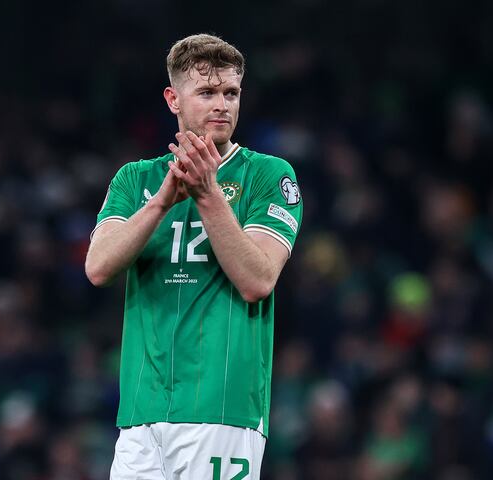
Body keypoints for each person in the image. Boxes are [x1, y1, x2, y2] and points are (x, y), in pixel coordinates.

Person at [85, 33, 303, 479]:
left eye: (231, 93)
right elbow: (98, 267)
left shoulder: (269, 175)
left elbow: (257, 279)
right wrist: (162, 202)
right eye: (206, 92)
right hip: (141, 415)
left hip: (221, 411)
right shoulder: (135, 180)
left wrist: (207, 195)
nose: (222, 105)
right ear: (173, 99)